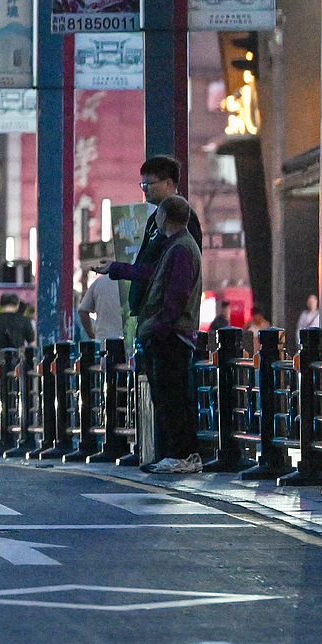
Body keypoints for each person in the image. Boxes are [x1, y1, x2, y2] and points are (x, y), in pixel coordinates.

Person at [92, 194, 203, 474]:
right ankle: (181, 454)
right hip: (172, 334)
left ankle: (180, 454)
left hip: (171, 336)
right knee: (172, 396)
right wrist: (115, 268)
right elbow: (152, 273)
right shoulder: (177, 246)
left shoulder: (179, 249)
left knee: (170, 397)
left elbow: (175, 296)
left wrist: (157, 327)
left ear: (163, 218)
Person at [77, 269, 123, 343]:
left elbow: (82, 311)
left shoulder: (100, 281)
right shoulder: (136, 280)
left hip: (103, 341)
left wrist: (92, 337)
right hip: (130, 342)